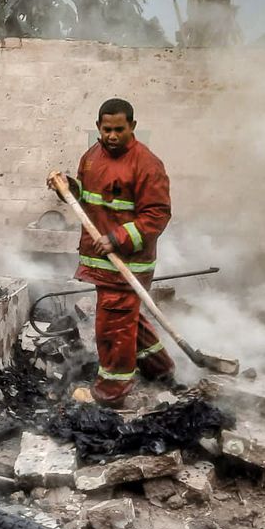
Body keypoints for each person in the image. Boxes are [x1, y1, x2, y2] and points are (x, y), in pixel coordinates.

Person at [47, 97, 174, 408]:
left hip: (128, 261)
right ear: (98, 128)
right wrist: (68, 189)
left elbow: (157, 214)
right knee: (128, 315)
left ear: (132, 126)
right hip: (100, 260)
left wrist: (118, 238)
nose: (113, 136)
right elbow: (87, 203)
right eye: (107, 130)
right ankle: (161, 369)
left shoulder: (147, 165)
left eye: (120, 129)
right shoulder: (91, 157)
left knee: (113, 325)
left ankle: (110, 393)